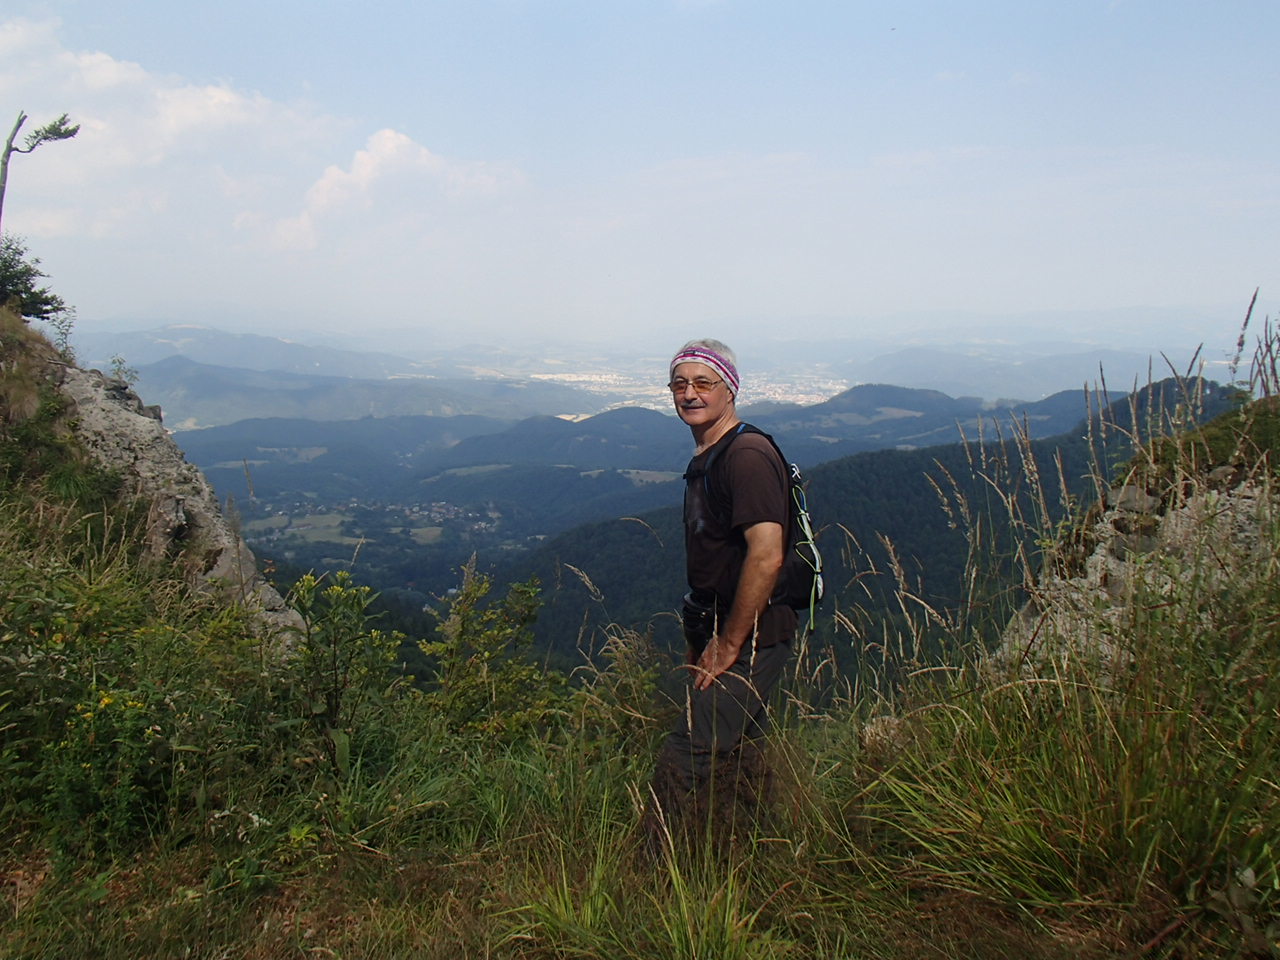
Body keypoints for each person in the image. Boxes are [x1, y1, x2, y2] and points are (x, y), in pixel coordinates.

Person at [646, 338, 796, 850]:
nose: (689, 394)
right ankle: (758, 854)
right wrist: (700, 632)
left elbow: (766, 554)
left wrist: (730, 642)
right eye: (679, 384)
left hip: (752, 635)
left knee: (688, 750)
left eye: (703, 382)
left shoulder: (746, 455)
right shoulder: (711, 453)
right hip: (725, 628)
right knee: (740, 753)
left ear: (730, 388)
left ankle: (646, 873)